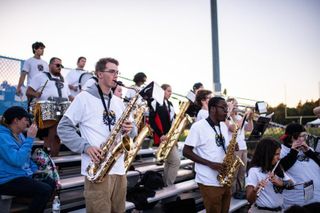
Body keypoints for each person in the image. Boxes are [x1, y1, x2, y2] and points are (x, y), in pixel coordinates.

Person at [57, 57, 137, 213]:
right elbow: (63, 128)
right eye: (112, 71)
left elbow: (133, 132)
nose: (116, 76)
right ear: (99, 74)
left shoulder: (119, 102)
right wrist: (85, 147)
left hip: (119, 168)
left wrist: (130, 129)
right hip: (98, 168)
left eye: (117, 72)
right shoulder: (83, 98)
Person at [0, 106, 55, 213]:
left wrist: (34, 170)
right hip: (7, 179)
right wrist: (30, 139)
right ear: (16, 120)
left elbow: (27, 158)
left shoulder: (20, 135)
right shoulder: (2, 137)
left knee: (50, 182)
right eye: (25, 119)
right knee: (44, 190)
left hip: (21, 175)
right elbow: (17, 160)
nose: (28, 123)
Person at [183, 96, 232, 213]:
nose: (226, 111)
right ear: (213, 109)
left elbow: (220, 146)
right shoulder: (198, 127)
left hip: (224, 177)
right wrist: (210, 164)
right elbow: (186, 151)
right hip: (208, 179)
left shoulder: (223, 126)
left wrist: (232, 147)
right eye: (223, 108)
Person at [26, 57, 71, 156]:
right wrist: (35, 94)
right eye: (57, 65)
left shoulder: (64, 79)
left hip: (61, 109)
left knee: (58, 136)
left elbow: (68, 96)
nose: (60, 68)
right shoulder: (40, 76)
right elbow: (28, 92)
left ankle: (53, 162)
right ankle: (46, 156)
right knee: (53, 129)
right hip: (45, 109)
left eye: (61, 66)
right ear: (50, 65)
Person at [246, 137, 294, 213]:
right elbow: (250, 199)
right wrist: (255, 190)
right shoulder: (254, 171)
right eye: (276, 154)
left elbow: (292, 184)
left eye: (279, 154)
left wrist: (281, 183)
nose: (279, 158)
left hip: (279, 210)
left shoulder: (277, 169)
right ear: (267, 154)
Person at [279, 123, 320, 209]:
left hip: (316, 199)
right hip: (296, 203)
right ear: (293, 137)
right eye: (303, 135)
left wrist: (309, 152)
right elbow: (280, 169)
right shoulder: (281, 151)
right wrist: (293, 152)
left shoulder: (309, 149)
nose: (306, 138)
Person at [148, 84, 180, 186]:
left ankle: (166, 186)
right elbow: (152, 121)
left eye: (171, 91)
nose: (170, 93)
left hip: (170, 137)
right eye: (168, 91)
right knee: (175, 161)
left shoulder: (170, 104)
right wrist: (160, 134)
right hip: (163, 137)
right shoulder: (155, 102)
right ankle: (169, 186)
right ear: (162, 91)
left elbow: (173, 120)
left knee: (169, 162)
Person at [225, 97, 253, 197]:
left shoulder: (240, 118)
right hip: (234, 149)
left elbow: (249, 128)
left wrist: (249, 118)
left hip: (243, 147)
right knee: (234, 173)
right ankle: (231, 194)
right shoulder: (226, 118)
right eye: (233, 105)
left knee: (242, 172)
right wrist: (245, 116)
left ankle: (240, 192)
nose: (236, 107)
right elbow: (234, 128)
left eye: (236, 105)